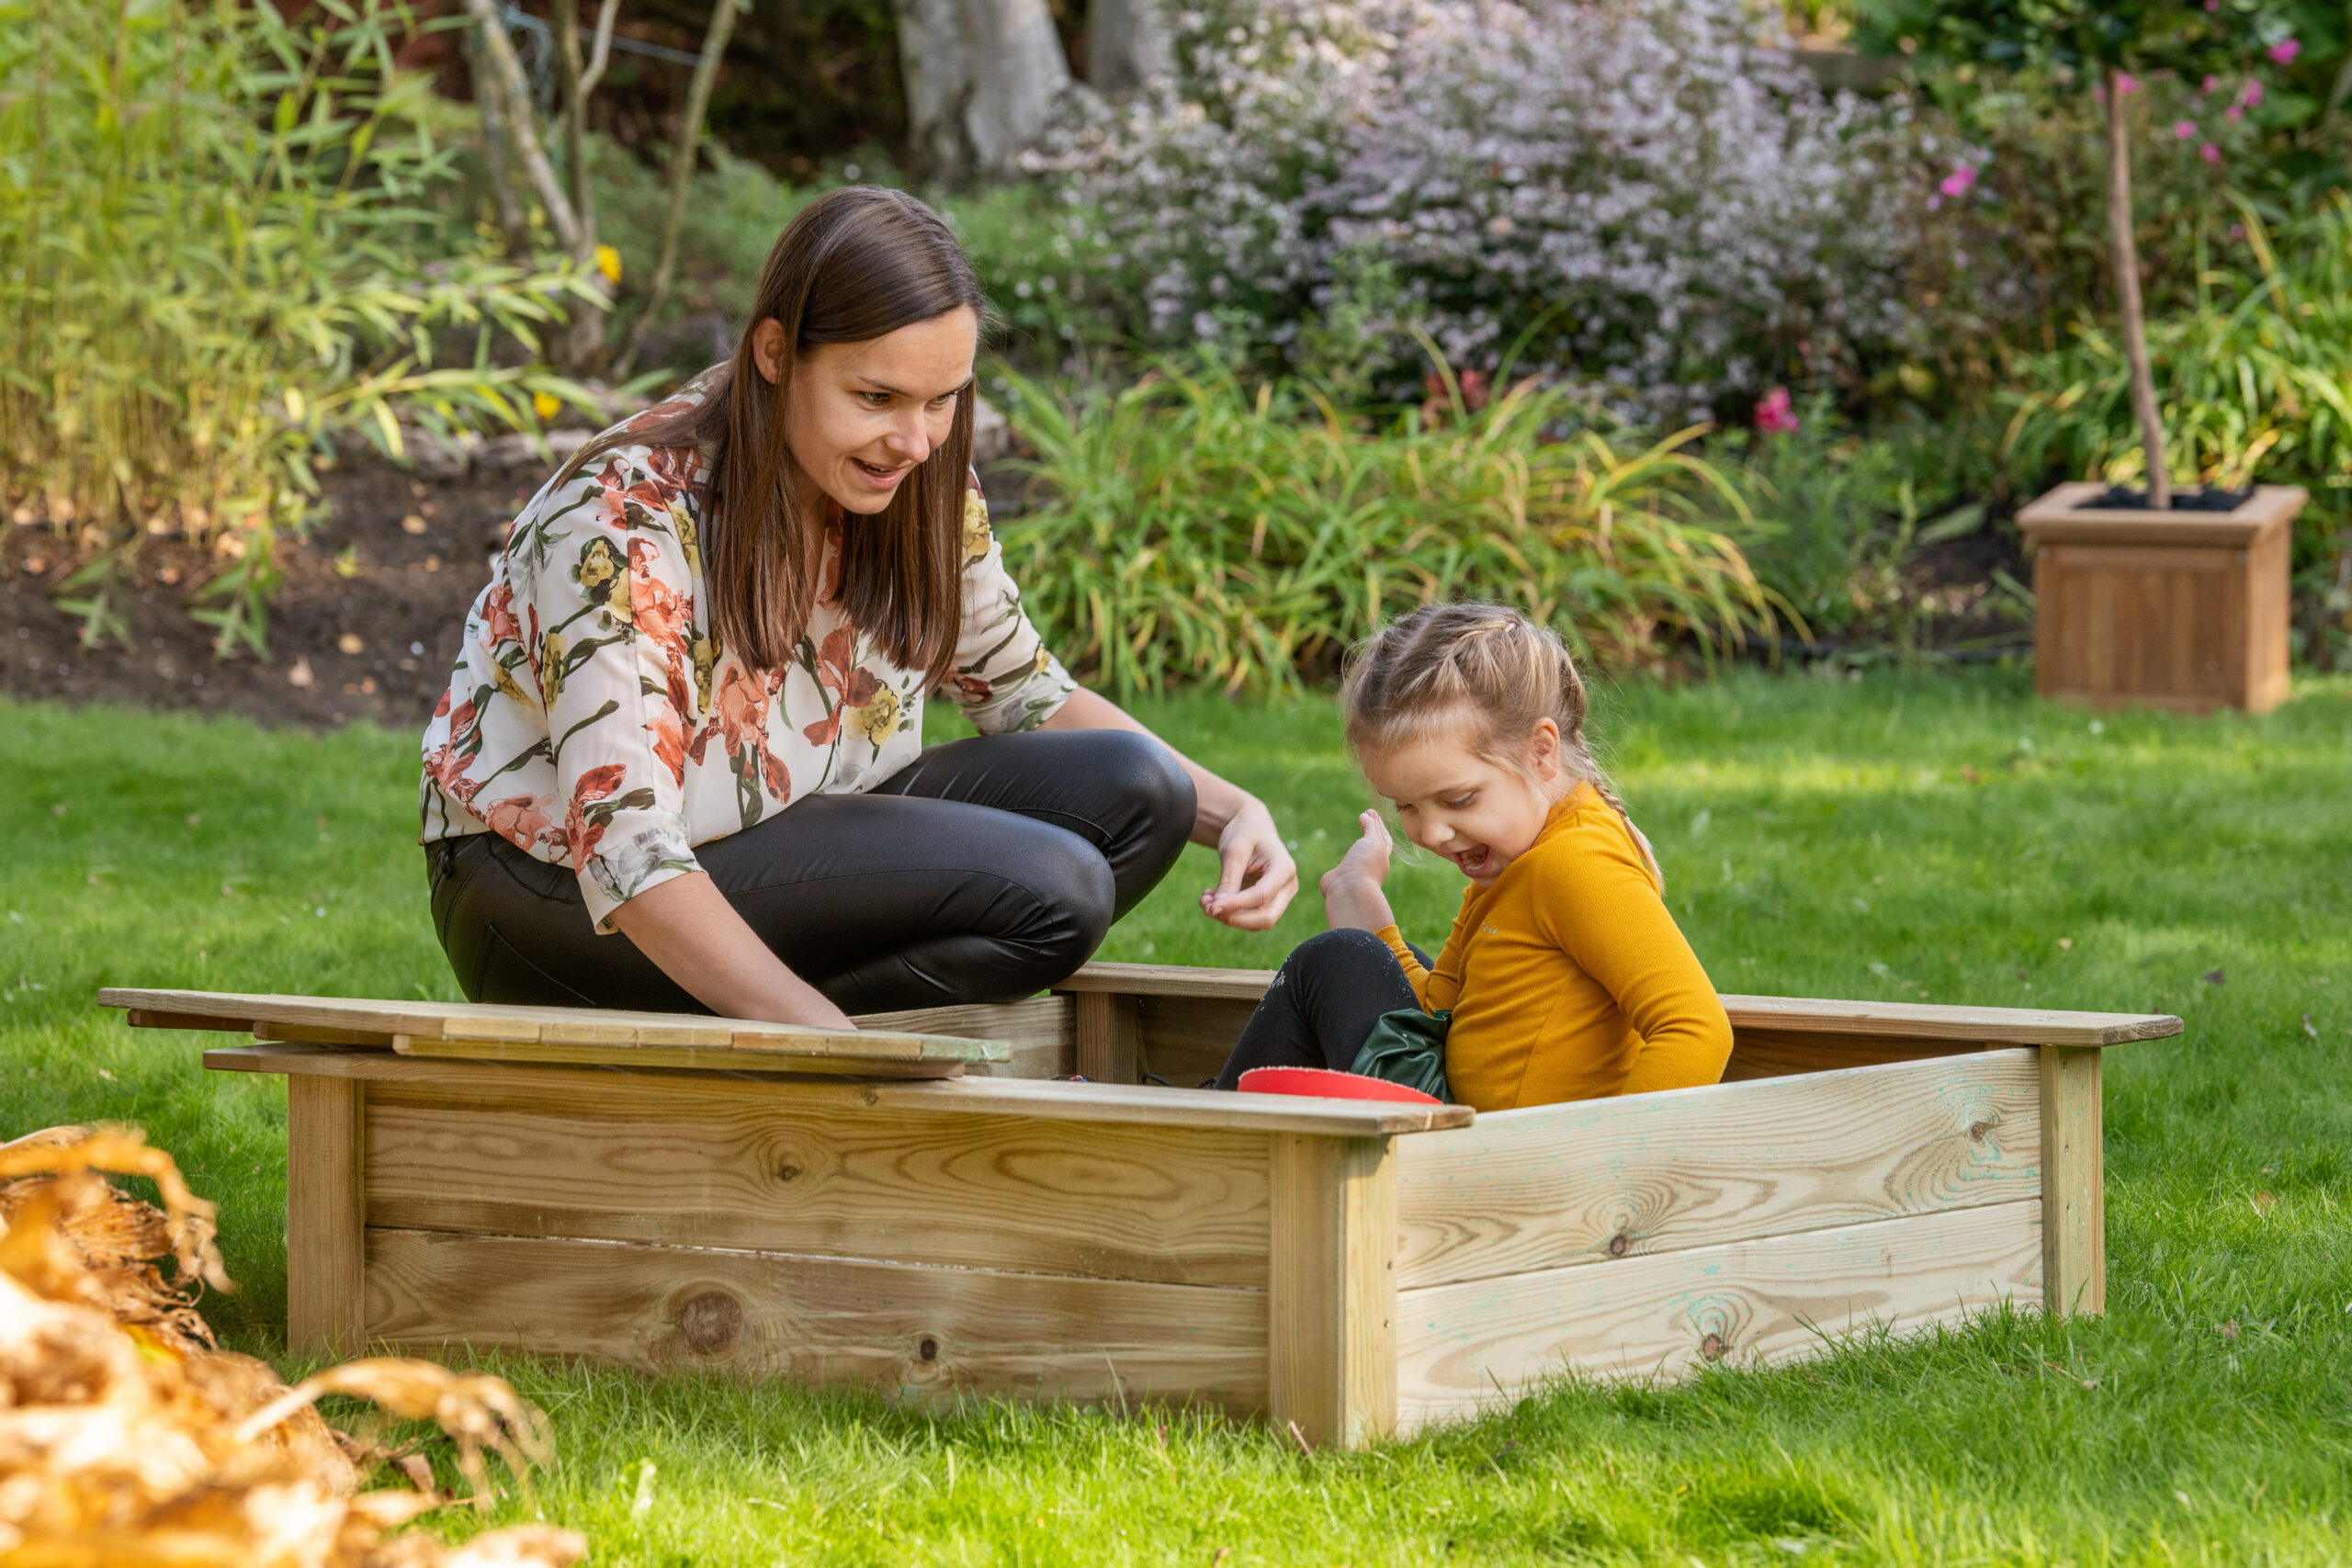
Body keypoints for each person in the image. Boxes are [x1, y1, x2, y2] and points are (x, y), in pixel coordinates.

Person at [421, 186, 1298, 1025]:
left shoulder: (912, 477)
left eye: (941, 399)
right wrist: (828, 1043)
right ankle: (822, 1040)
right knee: (1055, 887)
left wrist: (1233, 811)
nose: (913, 441)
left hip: (780, 828)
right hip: (549, 901)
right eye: (875, 398)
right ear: (774, 353)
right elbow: (625, 848)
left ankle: (796, 1022)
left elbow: (1025, 690)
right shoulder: (624, 519)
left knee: (1143, 792)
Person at [1213, 603, 1730, 1110]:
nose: (1433, 833)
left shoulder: (1575, 863)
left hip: (1514, 1171)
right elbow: (1439, 1013)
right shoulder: (1513, 866)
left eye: (1459, 800)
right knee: (1363, 958)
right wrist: (1368, 914)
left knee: (1337, 962)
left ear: (1541, 752)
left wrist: (1606, 1170)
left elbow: (1694, 1027)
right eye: (1407, 807)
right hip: (1477, 1135)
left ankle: (1210, 1138)